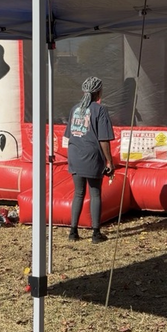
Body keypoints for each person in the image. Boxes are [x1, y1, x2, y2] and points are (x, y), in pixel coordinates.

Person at [64, 76, 115, 243]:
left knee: (78, 193)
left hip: (74, 155)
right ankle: (95, 233)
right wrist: (109, 161)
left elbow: (69, 135)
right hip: (92, 156)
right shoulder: (100, 110)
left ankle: (73, 232)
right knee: (95, 194)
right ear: (98, 92)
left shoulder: (74, 109)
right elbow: (103, 139)